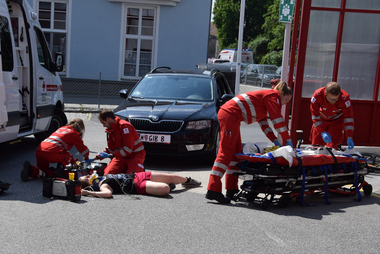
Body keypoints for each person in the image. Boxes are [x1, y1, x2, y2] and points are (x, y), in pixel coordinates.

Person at [206, 81, 293, 204]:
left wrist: (274, 140)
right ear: (282, 93)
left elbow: (265, 125)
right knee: (226, 152)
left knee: (236, 154)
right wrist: (288, 139)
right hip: (230, 116)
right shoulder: (272, 96)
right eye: (286, 99)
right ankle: (213, 189)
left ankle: (231, 189)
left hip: (232, 117)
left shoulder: (265, 101)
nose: (285, 103)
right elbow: (277, 120)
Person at [21, 118, 89, 181]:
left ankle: (30, 169)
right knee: (66, 156)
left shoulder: (62, 128)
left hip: (40, 150)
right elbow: (83, 149)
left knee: (43, 172)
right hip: (51, 152)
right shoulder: (74, 133)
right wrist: (86, 159)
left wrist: (73, 162)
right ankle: (60, 170)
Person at [79, 171, 201, 198]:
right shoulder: (103, 185)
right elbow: (108, 193)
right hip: (136, 186)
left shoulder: (103, 176)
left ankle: (188, 180)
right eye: (86, 178)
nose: (89, 176)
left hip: (138, 176)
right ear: (88, 184)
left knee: (170, 176)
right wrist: (88, 193)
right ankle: (169, 186)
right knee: (165, 189)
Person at [97, 109, 145, 175]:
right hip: (121, 157)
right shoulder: (111, 129)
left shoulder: (125, 127)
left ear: (108, 119)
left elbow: (128, 149)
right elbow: (111, 148)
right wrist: (96, 157)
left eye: (103, 123)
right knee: (107, 175)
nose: (104, 126)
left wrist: (111, 155)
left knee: (134, 178)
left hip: (135, 156)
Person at [310, 82, 354, 150]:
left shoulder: (344, 98)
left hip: (336, 122)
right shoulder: (317, 95)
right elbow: (315, 116)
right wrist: (322, 132)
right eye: (330, 99)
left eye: (335, 99)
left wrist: (349, 136)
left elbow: (348, 118)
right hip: (321, 121)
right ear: (325, 93)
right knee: (316, 146)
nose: (333, 101)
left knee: (332, 148)